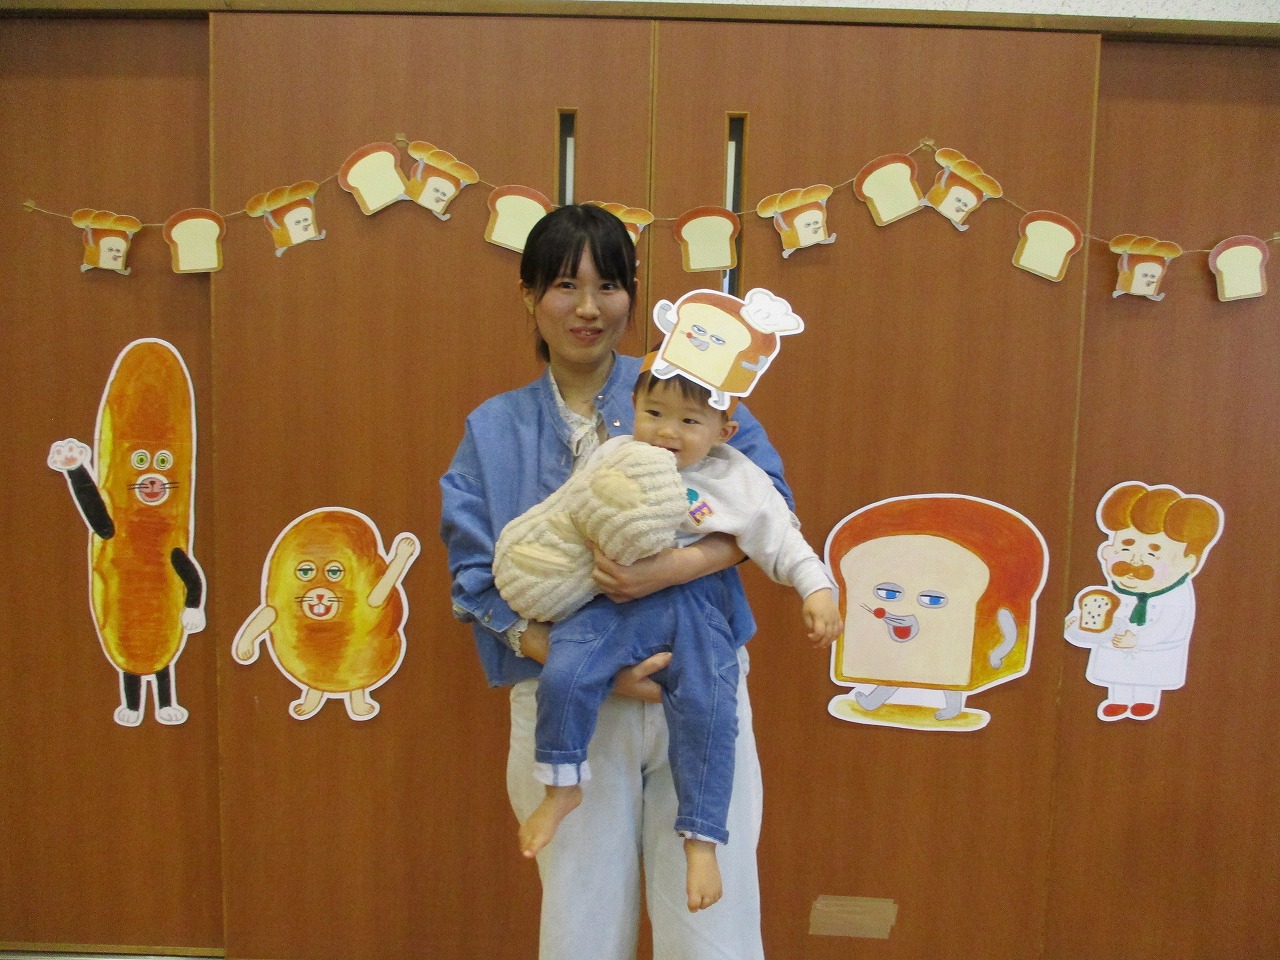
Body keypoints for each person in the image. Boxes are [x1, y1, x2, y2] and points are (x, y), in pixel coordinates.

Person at [439, 204, 790, 958]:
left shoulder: (692, 385)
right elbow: (473, 583)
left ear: (633, 295)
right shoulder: (493, 430)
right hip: (568, 700)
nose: (589, 308)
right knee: (581, 924)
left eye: (609, 285)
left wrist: (669, 569)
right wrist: (580, 662)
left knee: (713, 920)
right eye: (566, 285)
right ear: (529, 294)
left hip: (699, 683)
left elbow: (769, 509)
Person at [513, 358, 841, 911]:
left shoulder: (739, 479)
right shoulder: (614, 456)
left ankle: (702, 841)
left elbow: (784, 540)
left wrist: (818, 591)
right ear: (632, 409)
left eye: (689, 421)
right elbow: (565, 515)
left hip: (697, 610)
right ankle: (561, 784)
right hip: (614, 604)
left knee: (709, 712)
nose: (667, 431)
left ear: (724, 432)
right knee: (565, 669)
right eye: (654, 413)